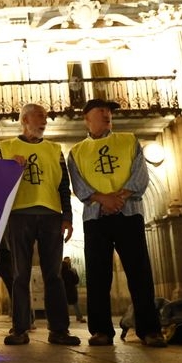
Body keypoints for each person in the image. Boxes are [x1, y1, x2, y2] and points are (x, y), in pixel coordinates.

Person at [67, 99, 167, 347]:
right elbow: (79, 185)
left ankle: (150, 330)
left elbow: (140, 175)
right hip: (95, 217)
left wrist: (119, 198)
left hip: (129, 213)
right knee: (97, 275)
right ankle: (101, 331)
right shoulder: (76, 151)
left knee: (139, 272)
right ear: (87, 118)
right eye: (101, 110)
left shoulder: (129, 141)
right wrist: (103, 199)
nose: (107, 114)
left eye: (109, 111)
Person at [0, 104, 80, 346]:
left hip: (51, 215)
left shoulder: (55, 149)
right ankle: (20, 328)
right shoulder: (6, 148)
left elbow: (63, 185)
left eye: (45, 117)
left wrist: (67, 217)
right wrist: (10, 169)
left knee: (54, 275)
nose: (45, 120)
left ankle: (59, 330)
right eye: (39, 117)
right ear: (25, 119)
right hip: (19, 215)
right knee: (19, 275)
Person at [61, 256, 86, 323]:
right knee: (75, 303)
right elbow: (76, 281)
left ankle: (65, 318)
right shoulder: (72, 271)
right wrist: (75, 274)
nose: (69, 262)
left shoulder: (61, 272)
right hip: (71, 290)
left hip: (65, 290)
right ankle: (79, 317)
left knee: (68, 304)